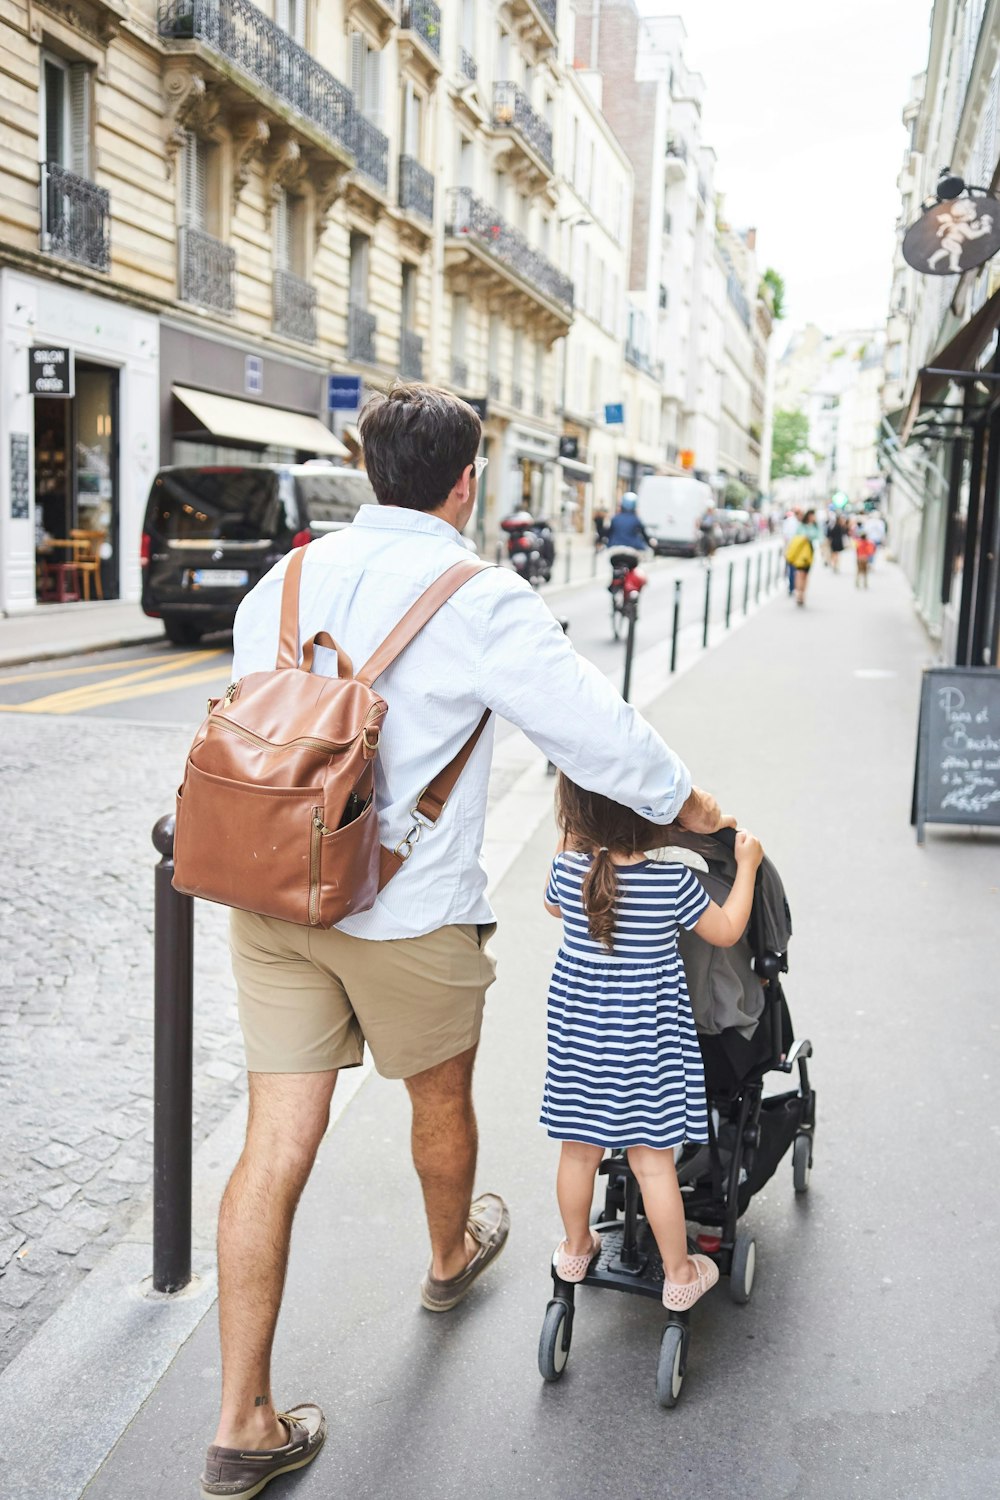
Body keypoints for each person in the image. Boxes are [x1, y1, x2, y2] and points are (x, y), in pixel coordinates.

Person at [201, 383, 732, 1500]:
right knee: (438, 1101)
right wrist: (701, 814)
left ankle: (243, 1418)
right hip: (407, 910)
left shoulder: (282, 579)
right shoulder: (479, 596)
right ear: (466, 480)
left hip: (276, 903)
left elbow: (247, 716)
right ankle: (450, 1259)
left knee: (274, 1144)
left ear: (362, 462)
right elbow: (598, 737)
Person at [541, 777, 763, 1308]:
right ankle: (680, 1272)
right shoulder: (672, 884)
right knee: (651, 1161)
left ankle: (575, 1249)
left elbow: (553, 907)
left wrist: (574, 830)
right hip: (646, 1044)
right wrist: (748, 865)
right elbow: (729, 930)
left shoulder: (569, 871)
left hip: (579, 1039)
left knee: (578, 1153)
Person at [786, 508, 820, 607]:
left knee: (805, 575)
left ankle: (803, 593)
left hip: (810, 551)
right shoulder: (801, 526)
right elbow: (796, 538)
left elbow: (819, 536)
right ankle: (799, 594)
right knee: (800, 574)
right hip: (801, 552)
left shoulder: (815, 526)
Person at [855, 524, 875, 589]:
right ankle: (865, 583)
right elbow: (870, 551)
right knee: (865, 571)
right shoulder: (868, 543)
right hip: (865, 558)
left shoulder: (858, 542)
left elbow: (856, 550)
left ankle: (857, 582)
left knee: (859, 571)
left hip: (859, 558)